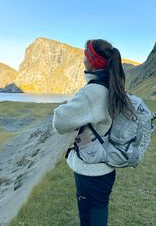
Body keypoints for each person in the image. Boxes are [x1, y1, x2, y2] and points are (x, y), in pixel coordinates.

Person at [52, 39, 134, 226]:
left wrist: (67, 106)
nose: (82, 59)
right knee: (99, 214)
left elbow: (59, 122)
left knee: (89, 220)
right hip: (106, 168)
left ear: (91, 62)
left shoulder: (91, 92)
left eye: (85, 55)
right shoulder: (115, 88)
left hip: (89, 170)